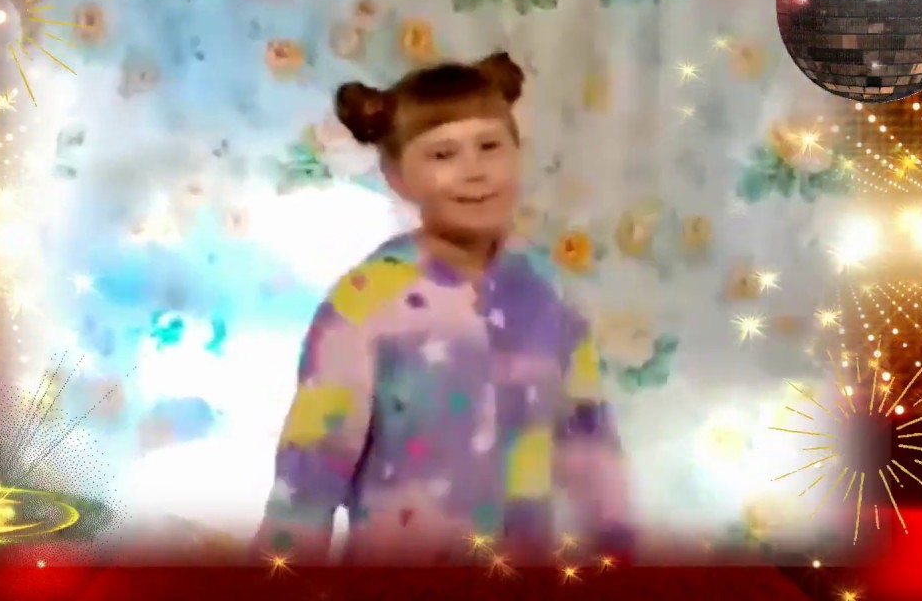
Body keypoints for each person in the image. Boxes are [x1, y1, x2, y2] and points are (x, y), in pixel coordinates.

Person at [252, 51, 635, 566]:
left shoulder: (549, 297)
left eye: (490, 146)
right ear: (397, 176)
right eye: (442, 154)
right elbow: (310, 470)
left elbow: (591, 446)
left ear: (517, 153)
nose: (474, 172)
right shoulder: (367, 302)